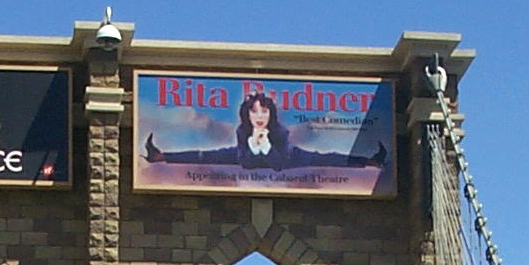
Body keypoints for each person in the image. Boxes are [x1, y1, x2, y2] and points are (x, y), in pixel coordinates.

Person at [145, 92, 388, 173]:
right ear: (247, 115)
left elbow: (279, 164)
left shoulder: (280, 133)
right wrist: (252, 145)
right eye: (254, 112)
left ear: (270, 114)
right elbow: (247, 164)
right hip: (246, 152)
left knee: (327, 158)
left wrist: (266, 147)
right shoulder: (243, 132)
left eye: (264, 112)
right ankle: (161, 156)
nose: (259, 117)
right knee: (205, 155)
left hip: (288, 156)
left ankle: (369, 161)